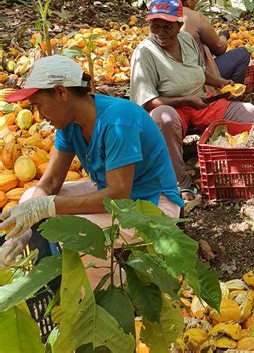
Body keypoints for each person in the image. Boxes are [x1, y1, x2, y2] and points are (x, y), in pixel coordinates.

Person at [0, 55, 183, 282]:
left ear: (61, 92)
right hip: (114, 197)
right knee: (30, 195)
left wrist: (47, 207)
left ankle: (115, 288)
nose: (40, 116)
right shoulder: (69, 125)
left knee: (78, 233)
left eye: (39, 105)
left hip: (153, 207)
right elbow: (49, 183)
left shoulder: (119, 121)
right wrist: (24, 228)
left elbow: (118, 195)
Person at [130, 0, 254, 196]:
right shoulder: (144, 53)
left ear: (179, 25)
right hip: (172, 107)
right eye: (156, 27)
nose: (161, 33)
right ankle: (180, 182)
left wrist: (221, 82)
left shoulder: (187, 40)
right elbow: (148, 101)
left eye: (167, 27)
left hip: (201, 100)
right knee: (164, 117)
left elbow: (198, 71)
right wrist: (185, 100)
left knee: (251, 113)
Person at [169, 0, 251, 84]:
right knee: (242, 53)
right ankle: (233, 95)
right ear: (189, 1)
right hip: (196, 79)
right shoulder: (194, 16)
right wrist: (223, 36)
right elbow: (219, 48)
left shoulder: (161, 18)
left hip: (171, 78)